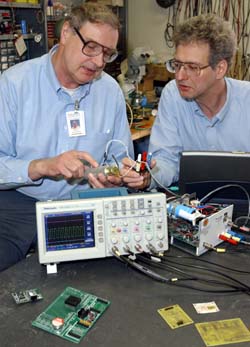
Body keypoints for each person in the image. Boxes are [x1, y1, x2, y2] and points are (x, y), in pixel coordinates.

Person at [0, 3, 140, 271]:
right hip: (17, 205)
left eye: (107, 53)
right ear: (65, 33)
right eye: (91, 47)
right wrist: (41, 166)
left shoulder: (109, 91)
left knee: (109, 280)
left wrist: (123, 174)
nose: (99, 62)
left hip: (82, 206)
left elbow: (120, 157)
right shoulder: (14, 85)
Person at [122, 13, 250, 191]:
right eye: (177, 64)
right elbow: (167, 160)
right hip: (194, 206)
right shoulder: (173, 95)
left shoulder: (246, 100)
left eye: (193, 67)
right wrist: (148, 178)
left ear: (220, 68)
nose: (180, 76)